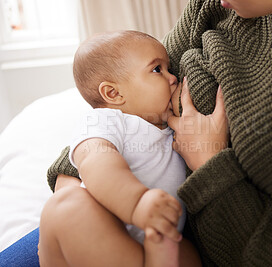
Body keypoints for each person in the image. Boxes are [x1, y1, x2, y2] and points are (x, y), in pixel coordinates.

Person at [1, 0, 272, 266]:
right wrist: (75, 190)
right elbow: (117, 109)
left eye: (167, 72)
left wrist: (209, 166)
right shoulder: (225, 6)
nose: (171, 77)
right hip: (106, 215)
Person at [38, 30, 202, 267]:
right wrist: (138, 203)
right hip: (97, 240)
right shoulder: (106, 121)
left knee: (186, 251)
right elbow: (97, 163)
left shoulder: (172, 128)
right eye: (157, 70)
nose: (173, 77)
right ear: (113, 93)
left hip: (151, 239)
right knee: (66, 205)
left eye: (169, 68)